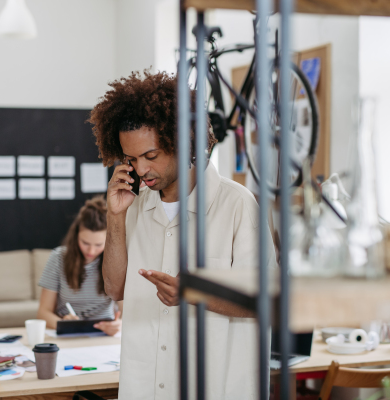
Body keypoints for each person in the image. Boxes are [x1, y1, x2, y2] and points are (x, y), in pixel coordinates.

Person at [88, 70, 276, 399]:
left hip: (214, 385)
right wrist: (115, 217)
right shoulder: (133, 207)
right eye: (131, 159)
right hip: (145, 384)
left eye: (151, 156)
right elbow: (115, 288)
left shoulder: (237, 204)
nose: (141, 170)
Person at [37, 197, 122, 336]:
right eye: (85, 243)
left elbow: (126, 312)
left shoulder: (116, 260)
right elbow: (43, 312)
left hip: (103, 335)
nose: (91, 251)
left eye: (98, 245)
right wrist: (63, 323)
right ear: (76, 235)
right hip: (68, 334)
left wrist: (119, 324)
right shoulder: (58, 257)